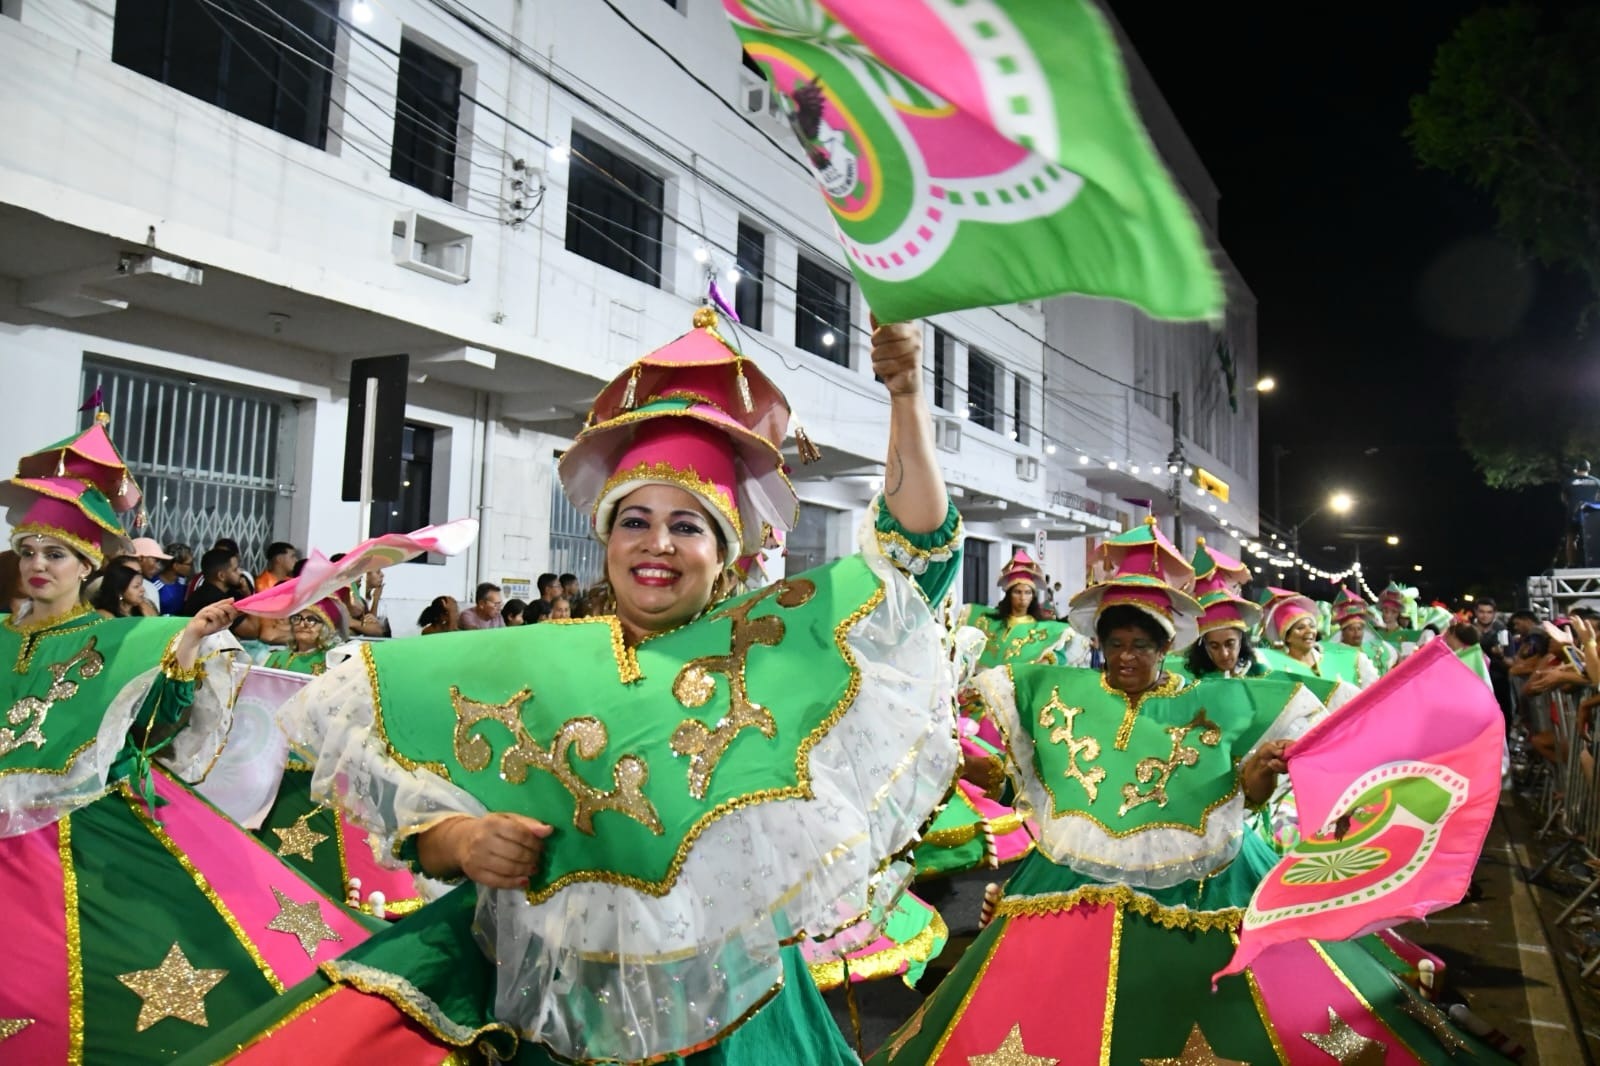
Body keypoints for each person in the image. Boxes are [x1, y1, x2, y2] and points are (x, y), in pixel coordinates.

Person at [183, 312, 962, 1064]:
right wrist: (470, 846)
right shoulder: (518, 663)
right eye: (636, 521)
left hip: (733, 1002)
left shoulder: (769, 655)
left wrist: (905, 399)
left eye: (688, 526)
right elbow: (427, 822)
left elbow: (910, 562)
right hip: (535, 988)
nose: (657, 544)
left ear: (723, 555)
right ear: (605, 538)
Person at [869, 521, 1500, 1064]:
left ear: (1165, 646)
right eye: (1113, 645)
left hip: (1206, 882)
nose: (1124, 658)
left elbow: (1240, 794)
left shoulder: (1214, 701)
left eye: (1139, 646)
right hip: (1065, 882)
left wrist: (1264, 774)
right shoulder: (1060, 691)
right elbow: (1048, 784)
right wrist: (979, 772)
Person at [0, 436, 374, 1062]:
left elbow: (152, 732)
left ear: (88, 566)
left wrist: (189, 643)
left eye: (56, 554)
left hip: (76, 834)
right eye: (28, 551)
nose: (40, 564)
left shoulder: (127, 639)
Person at [264, 597, 349, 675]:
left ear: (326, 628)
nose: (302, 624)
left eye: (311, 620)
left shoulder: (334, 661)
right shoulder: (274, 657)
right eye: (298, 618)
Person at [89, 554, 157, 618]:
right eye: (136, 586)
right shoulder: (103, 616)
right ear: (120, 591)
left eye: (139, 572)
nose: (143, 589)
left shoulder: (147, 607)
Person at [1563, 459, 1600, 565]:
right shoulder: (1597, 482)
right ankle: (1596, 563)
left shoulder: (1569, 482)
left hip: (1573, 513)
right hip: (1591, 514)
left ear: (1576, 469)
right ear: (1589, 469)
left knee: (1571, 538)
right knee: (1595, 538)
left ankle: (1571, 564)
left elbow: (1564, 498)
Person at [155, 541, 193, 615]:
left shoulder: (183, 582)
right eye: (189, 564)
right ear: (176, 566)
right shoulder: (155, 586)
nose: (191, 567)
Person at [129, 535, 168, 604]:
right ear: (141, 558)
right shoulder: (149, 589)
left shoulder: (150, 587)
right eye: (156, 560)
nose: (158, 567)